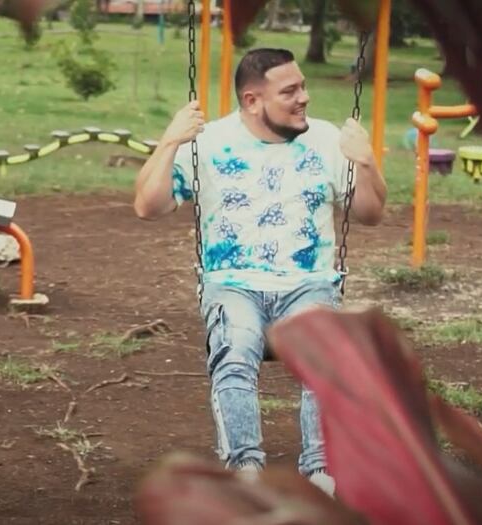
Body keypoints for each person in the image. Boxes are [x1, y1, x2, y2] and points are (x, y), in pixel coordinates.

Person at [133, 48, 387, 495]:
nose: (303, 97)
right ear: (252, 101)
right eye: (289, 91)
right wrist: (170, 142)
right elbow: (147, 206)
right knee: (235, 349)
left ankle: (321, 471)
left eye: (303, 86)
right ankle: (245, 469)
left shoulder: (327, 140)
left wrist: (366, 164)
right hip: (234, 285)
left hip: (307, 285)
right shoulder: (208, 142)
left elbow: (369, 213)